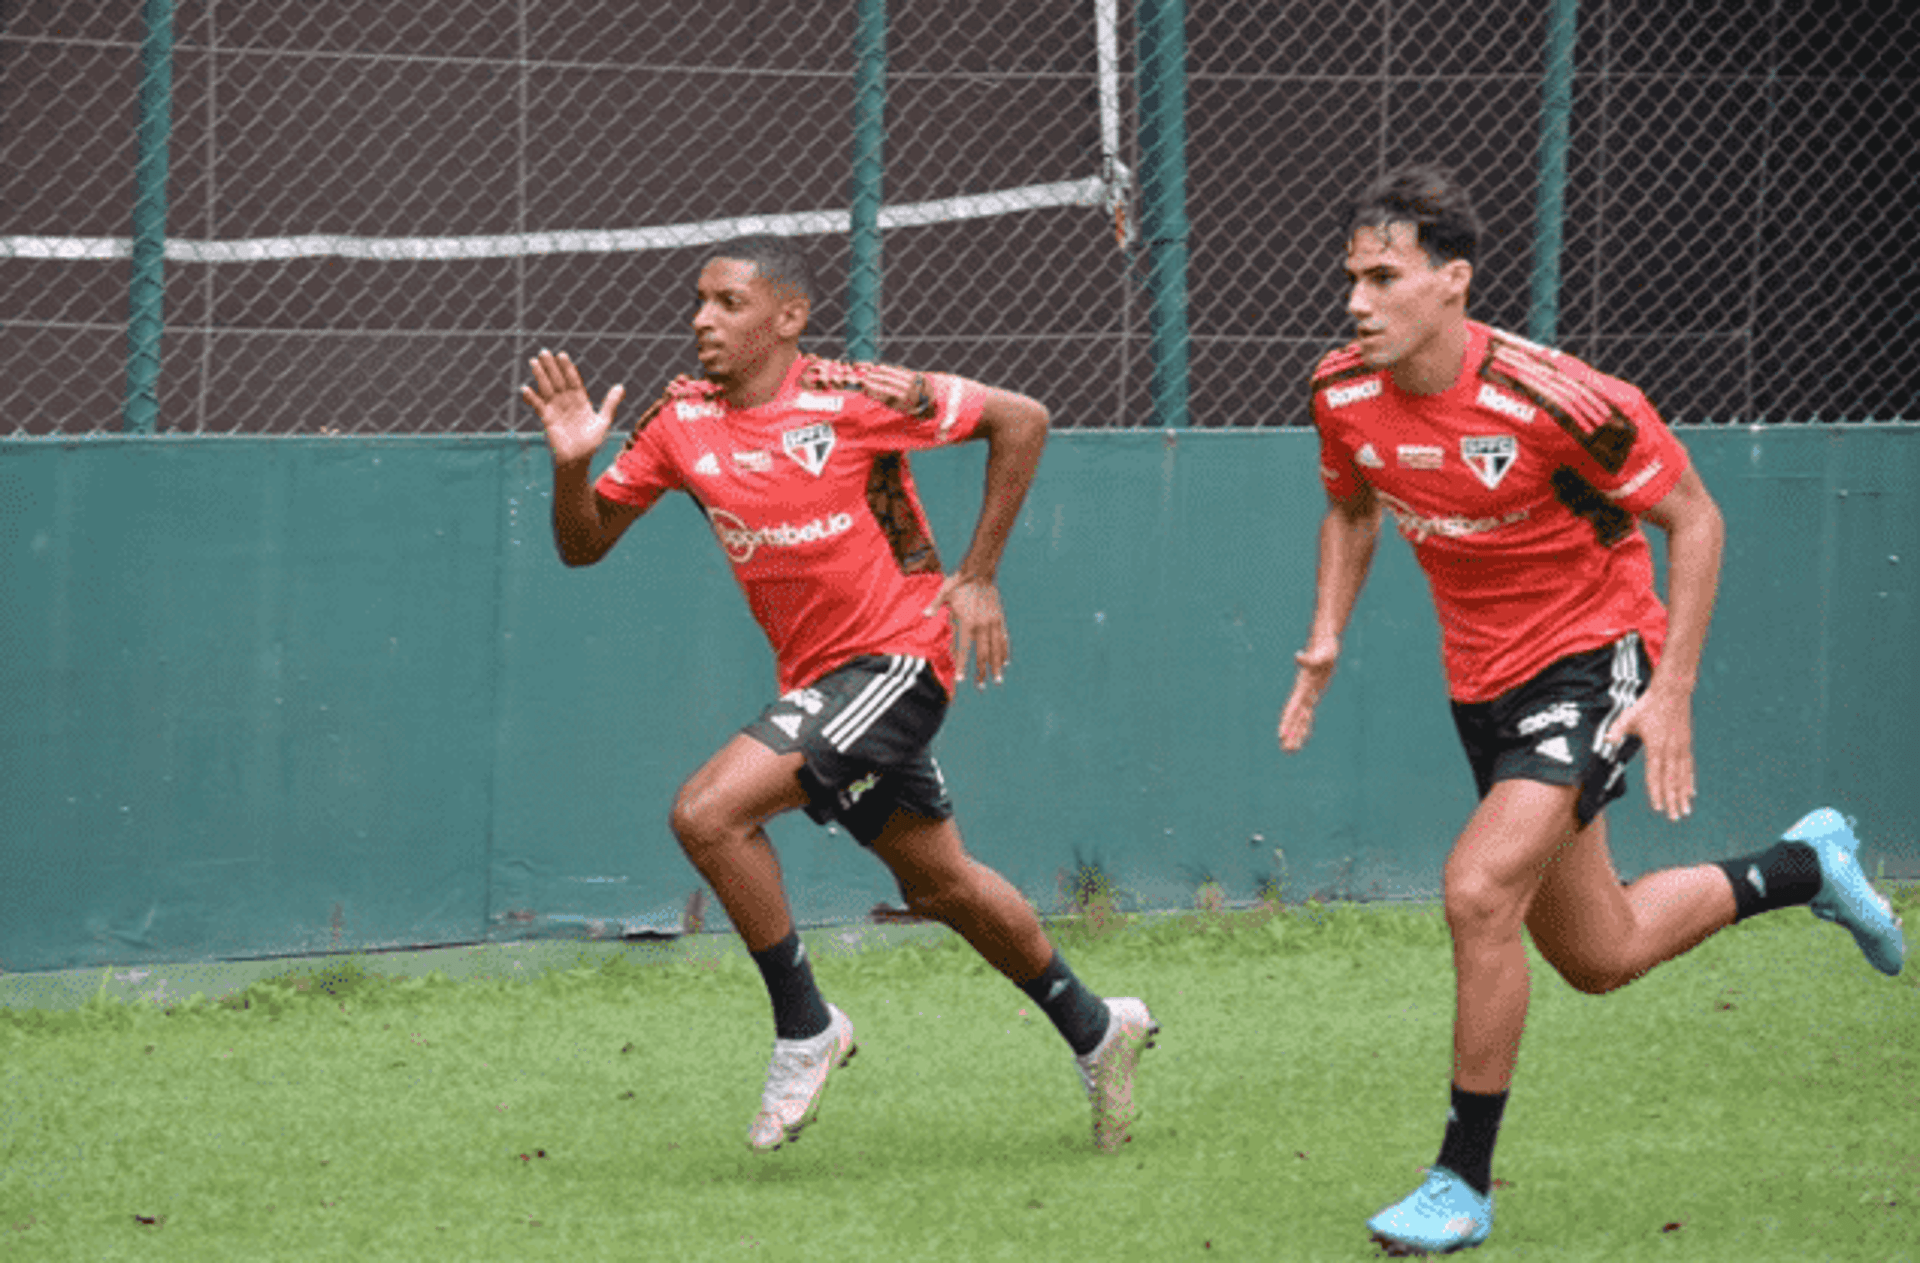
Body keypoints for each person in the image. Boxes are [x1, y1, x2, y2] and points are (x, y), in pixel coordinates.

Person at [1279, 165, 1906, 1254]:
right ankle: (1805, 866)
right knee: (1600, 953)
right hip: (1481, 686)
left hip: (1594, 661)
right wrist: (1328, 629)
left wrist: (1672, 691)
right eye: (1351, 277)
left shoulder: (1559, 398)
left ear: (1454, 283)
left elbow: (1695, 520)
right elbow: (1349, 506)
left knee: (1479, 892)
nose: (1356, 301)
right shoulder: (1341, 390)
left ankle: (1460, 1183)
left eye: (1384, 277)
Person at [520, 233, 1156, 1154]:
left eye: (729, 303)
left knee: (707, 813)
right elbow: (582, 545)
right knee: (941, 884)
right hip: (820, 682)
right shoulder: (678, 419)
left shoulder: (858, 394)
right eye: (698, 301)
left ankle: (805, 1024)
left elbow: (1022, 418)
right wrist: (572, 463)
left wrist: (977, 574)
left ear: (789, 317)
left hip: (900, 660)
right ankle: (1099, 1031)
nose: (702, 318)